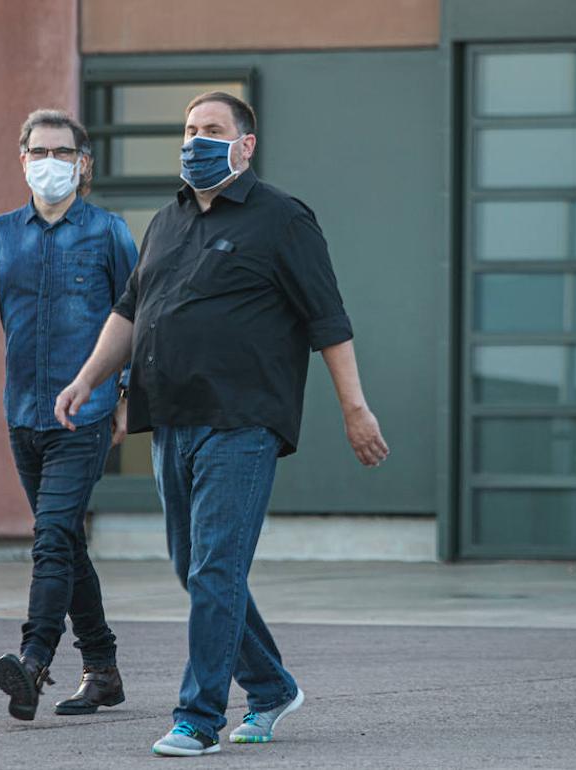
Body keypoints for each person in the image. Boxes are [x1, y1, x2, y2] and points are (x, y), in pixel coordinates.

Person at [54, 92, 389, 757]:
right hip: (171, 416)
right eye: (188, 129)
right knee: (196, 567)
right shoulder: (167, 221)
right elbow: (129, 311)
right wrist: (88, 377)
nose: (196, 140)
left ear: (246, 145)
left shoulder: (283, 220)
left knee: (213, 568)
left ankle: (198, 716)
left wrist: (356, 408)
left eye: (212, 130)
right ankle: (269, 686)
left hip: (244, 420)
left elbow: (329, 320)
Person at [0, 109, 136, 721]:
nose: (49, 162)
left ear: (83, 163)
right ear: (22, 158)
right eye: (38, 150)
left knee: (51, 537)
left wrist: (127, 395)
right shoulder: (1, 234)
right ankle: (102, 670)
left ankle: (32, 662)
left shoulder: (109, 232)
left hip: (86, 415)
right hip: (22, 416)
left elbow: (140, 316)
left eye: (62, 151)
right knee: (67, 543)